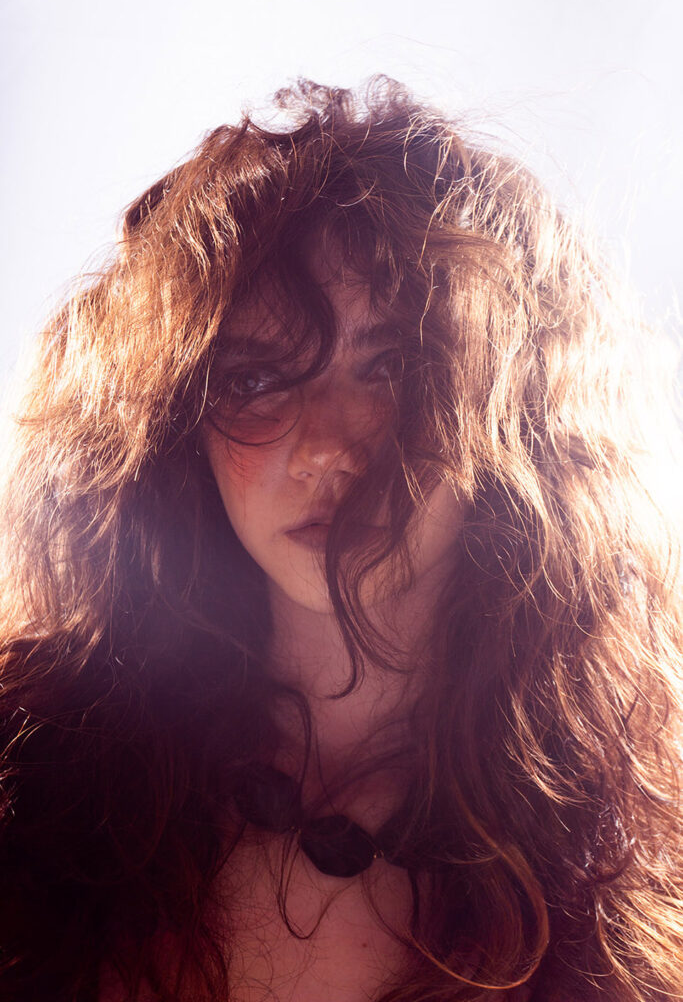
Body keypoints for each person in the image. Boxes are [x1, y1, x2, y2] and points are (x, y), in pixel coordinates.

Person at [0, 77, 681, 1002]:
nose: (323, 448)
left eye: (394, 366)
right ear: (175, 429)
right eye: (253, 380)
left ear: (518, 414)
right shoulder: (34, 779)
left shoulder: (638, 844)